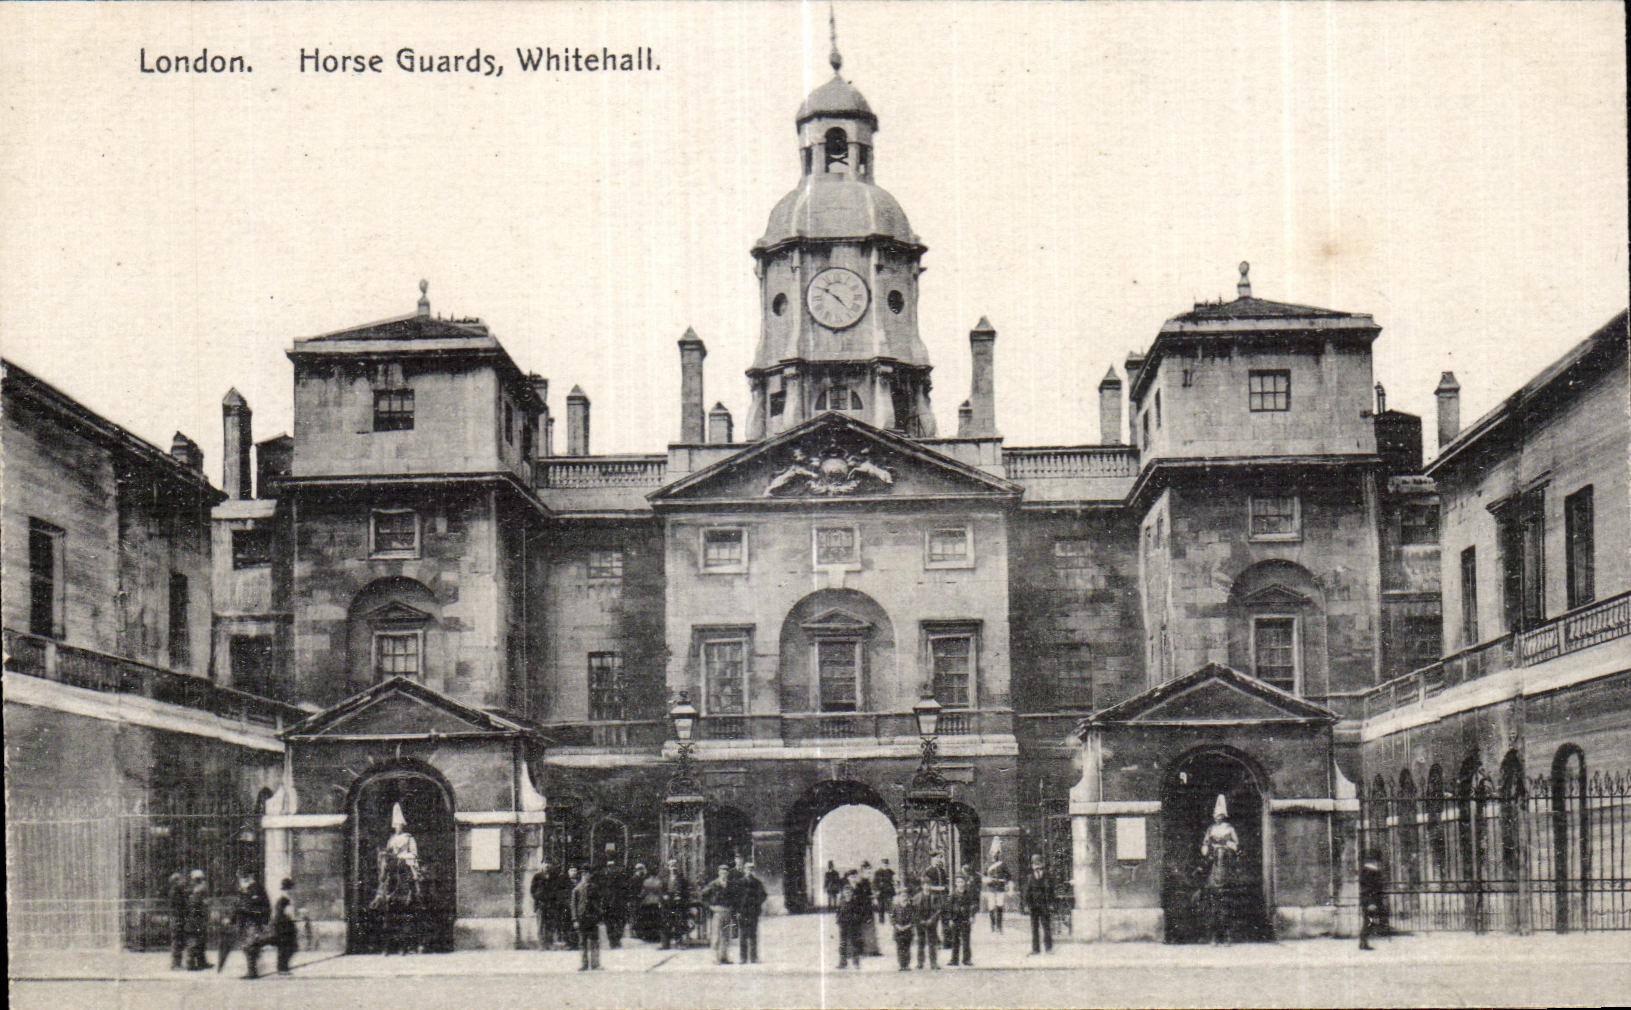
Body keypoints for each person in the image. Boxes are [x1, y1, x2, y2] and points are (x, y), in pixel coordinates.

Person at [1200, 795, 1239, 945]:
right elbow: (1205, 842)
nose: (1218, 818)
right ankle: (1213, 936)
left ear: (1223, 816)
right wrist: (1206, 848)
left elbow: (1236, 842)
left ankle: (1228, 936)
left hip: (1226, 854)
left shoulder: (1229, 828)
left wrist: (1228, 845)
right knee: (1206, 866)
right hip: (1213, 855)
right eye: (1215, 816)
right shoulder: (1211, 829)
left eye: (1220, 816)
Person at [220, 869, 272, 976]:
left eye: (243, 877)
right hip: (245, 922)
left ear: (249, 877)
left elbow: (263, 906)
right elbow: (238, 906)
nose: (240, 880)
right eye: (240, 878)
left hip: (253, 921)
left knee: (250, 945)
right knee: (248, 945)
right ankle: (253, 969)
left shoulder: (256, 889)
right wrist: (231, 919)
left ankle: (252, 972)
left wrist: (263, 920)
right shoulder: (244, 890)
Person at [245, 878, 298, 977]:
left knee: (286, 948)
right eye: (292, 888)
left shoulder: (282, 898)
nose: (293, 891)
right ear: (290, 889)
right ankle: (282, 968)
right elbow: (287, 914)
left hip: (281, 927)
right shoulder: (285, 899)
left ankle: (282, 968)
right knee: (288, 947)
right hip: (284, 928)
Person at [699, 864, 735, 964]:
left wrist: (732, 907)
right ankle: (715, 958)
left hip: (727, 911)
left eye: (725, 872)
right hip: (717, 911)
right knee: (716, 935)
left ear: (728, 874)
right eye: (722, 872)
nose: (724, 874)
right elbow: (703, 895)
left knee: (726, 935)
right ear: (719, 873)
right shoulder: (714, 884)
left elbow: (735, 897)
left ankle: (724, 957)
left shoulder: (730, 884)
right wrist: (710, 907)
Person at [572, 864, 603, 971]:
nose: (586, 875)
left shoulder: (594, 888)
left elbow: (599, 903)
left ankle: (595, 963)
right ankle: (584, 964)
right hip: (581, 919)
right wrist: (575, 919)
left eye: (588, 873)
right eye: (584, 873)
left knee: (594, 941)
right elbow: (573, 906)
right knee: (582, 942)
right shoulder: (577, 889)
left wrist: (598, 916)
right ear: (581, 875)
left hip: (592, 919)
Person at [835, 873, 869, 969]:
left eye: (849, 892)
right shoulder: (841, 902)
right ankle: (842, 962)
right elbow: (838, 912)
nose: (847, 894)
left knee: (854, 943)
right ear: (843, 893)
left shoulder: (855, 902)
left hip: (853, 925)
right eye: (845, 892)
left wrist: (855, 920)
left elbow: (859, 913)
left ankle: (856, 962)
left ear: (852, 893)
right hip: (843, 925)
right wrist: (838, 920)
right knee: (842, 944)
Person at [736, 862, 767, 964]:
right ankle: (743, 958)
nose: (749, 871)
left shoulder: (757, 882)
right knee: (743, 935)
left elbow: (763, 895)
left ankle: (754, 957)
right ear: (744, 870)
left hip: (753, 912)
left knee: (753, 935)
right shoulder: (740, 882)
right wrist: (737, 910)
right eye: (747, 869)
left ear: (753, 871)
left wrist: (757, 904)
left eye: (751, 869)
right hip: (742, 912)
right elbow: (735, 897)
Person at [1022, 854, 1053, 955]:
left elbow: (1051, 891)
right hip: (1034, 905)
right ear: (1032, 865)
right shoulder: (1030, 877)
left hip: (1044, 904)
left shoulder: (1047, 875)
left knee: (1046, 926)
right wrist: (1026, 905)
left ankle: (1048, 948)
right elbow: (1027, 892)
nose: (1037, 865)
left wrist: (1051, 903)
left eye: (1038, 863)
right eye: (1035, 863)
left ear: (1042, 864)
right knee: (1034, 928)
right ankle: (1036, 949)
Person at [947, 870, 979, 967]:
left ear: (965, 883)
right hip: (956, 918)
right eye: (958, 882)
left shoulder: (968, 894)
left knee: (966, 939)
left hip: (965, 919)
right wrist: (950, 919)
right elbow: (949, 907)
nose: (960, 884)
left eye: (962, 882)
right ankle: (954, 959)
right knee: (955, 939)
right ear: (955, 884)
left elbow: (973, 905)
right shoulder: (953, 894)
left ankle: (966, 959)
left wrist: (972, 916)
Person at [911, 868, 941, 970]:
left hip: (931, 923)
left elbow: (937, 910)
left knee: (932, 943)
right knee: (921, 943)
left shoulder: (934, 897)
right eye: (925, 885)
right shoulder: (916, 897)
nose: (927, 887)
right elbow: (914, 911)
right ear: (922, 886)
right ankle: (920, 963)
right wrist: (920, 920)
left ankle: (933, 963)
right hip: (920, 923)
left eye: (928, 885)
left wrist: (931, 920)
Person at [183, 869, 212, 970]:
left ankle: (201, 962)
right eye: (199, 879)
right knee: (193, 942)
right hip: (194, 919)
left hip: (199, 919)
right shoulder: (193, 891)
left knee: (201, 941)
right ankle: (191, 964)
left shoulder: (197, 890)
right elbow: (194, 906)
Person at [384, 803, 421, 881]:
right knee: (386, 867)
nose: (397, 827)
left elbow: (414, 853)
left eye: (399, 825)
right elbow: (388, 850)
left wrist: (404, 856)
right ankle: (383, 885)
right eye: (396, 825)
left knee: (408, 868)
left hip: (405, 859)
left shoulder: (408, 837)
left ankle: (413, 886)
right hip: (394, 860)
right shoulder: (392, 838)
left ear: (402, 826)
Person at [1359, 848, 1387, 951]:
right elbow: (1368, 888)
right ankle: (1363, 942)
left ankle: (1364, 942)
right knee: (1369, 921)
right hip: (1370, 901)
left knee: (1369, 921)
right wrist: (1371, 903)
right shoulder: (1370, 871)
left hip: (1371, 900)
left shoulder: (1369, 870)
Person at [888, 877, 918, 971]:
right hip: (898, 930)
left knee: (907, 948)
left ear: (908, 897)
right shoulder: (895, 907)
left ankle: (907, 964)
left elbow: (914, 919)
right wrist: (897, 926)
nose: (904, 898)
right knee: (900, 948)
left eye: (905, 896)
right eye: (902, 896)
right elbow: (892, 917)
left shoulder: (911, 907)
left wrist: (907, 926)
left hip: (908, 930)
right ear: (899, 897)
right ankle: (901, 964)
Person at [662, 859, 692, 949]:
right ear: (668, 867)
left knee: (679, 922)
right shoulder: (665, 879)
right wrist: (664, 895)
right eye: (671, 866)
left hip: (678, 903)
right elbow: (661, 890)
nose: (673, 868)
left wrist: (681, 897)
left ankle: (679, 942)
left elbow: (686, 892)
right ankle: (665, 944)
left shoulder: (682, 879)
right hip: (668, 903)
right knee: (666, 922)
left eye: (675, 866)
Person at [531, 860, 561, 950]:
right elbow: (532, 890)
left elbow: (557, 890)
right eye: (545, 863)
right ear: (542, 865)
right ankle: (542, 944)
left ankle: (550, 943)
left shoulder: (555, 877)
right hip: (541, 904)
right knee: (541, 925)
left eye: (549, 864)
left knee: (550, 924)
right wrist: (539, 897)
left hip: (551, 904)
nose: (547, 865)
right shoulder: (537, 877)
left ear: (551, 865)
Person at [983, 841, 1011, 933]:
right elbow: (984, 877)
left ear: (999, 853)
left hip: (1000, 888)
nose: (995, 855)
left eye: (997, 852)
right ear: (991, 853)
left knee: (999, 906)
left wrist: (1005, 882)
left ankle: (999, 926)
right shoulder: (987, 865)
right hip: (991, 888)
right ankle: (992, 925)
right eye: (993, 852)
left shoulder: (1003, 865)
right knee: (991, 907)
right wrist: (987, 880)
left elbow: (1008, 876)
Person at [601, 856, 628, 948]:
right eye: (609, 866)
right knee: (611, 923)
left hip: (617, 902)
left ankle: (615, 939)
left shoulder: (620, 876)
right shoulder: (603, 877)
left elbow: (625, 889)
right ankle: (613, 940)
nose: (611, 869)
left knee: (617, 922)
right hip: (609, 903)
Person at [855, 862, 880, 956]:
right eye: (867, 872)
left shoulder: (868, 883)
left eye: (870, 872)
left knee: (870, 929)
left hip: (868, 909)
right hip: (863, 909)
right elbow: (860, 897)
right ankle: (866, 950)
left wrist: (872, 896)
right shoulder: (860, 884)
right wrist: (872, 897)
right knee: (864, 929)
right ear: (862, 872)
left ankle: (872, 950)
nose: (869, 874)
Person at [167, 871, 189, 970]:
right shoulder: (175, 892)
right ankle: (175, 964)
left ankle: (177, 963)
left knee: (179, 941)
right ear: (176, 881)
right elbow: (181, 905)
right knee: (177, 941)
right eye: (181, 880)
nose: (183, 881)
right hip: (177, 918)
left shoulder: (178, 891)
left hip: (178, 918)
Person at [562, 865, 582, 950]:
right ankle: (568, 943)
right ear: (568, 872)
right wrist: (567, 904)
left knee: (577, 926)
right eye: (571, 870)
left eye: (575, 870)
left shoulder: (580, 883)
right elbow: (561, 895)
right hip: (567, 908)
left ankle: (576, 943)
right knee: (567, 926)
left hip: (577, 908)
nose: (573, 872)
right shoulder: (565, 883)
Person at [873, 859, 896, 924]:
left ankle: (892, 922)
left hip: (889, 893)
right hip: (881, 893)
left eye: (886, 864)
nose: (885, 865)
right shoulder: (877, 873)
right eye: (884, 864)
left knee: (891, 908)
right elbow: (874, 883)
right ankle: (881, 922)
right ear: (881, 864)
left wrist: (894, 885)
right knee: (881, 908)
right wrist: (877, 891)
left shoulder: (891, 872)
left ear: (888, 865)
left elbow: (894, 880)